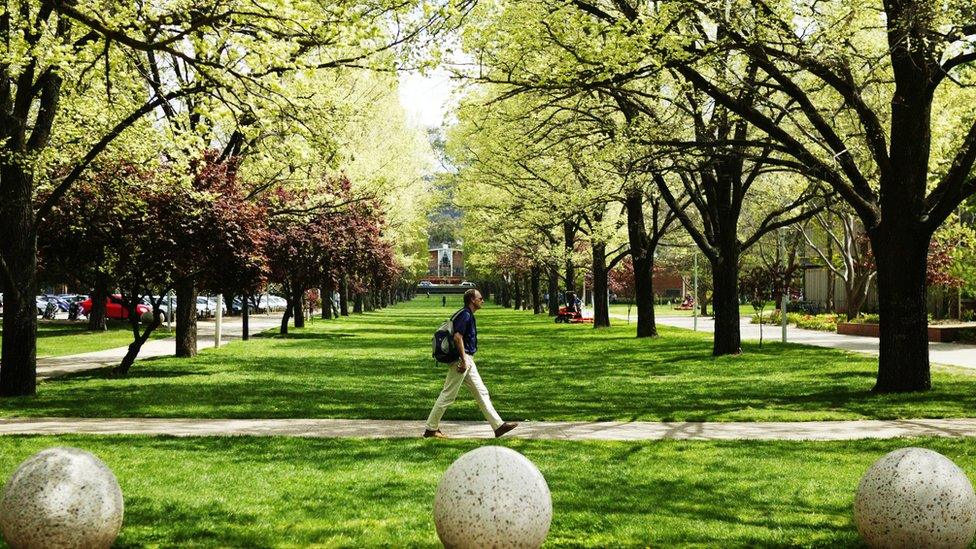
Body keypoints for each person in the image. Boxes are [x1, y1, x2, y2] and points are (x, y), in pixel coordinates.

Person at [424, 289, 518, 439]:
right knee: (448, 395)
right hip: (462, 359)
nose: (483, 300)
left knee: (481, 392)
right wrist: (463, 359)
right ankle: (430, 429)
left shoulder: (466, 314)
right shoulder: (465, 315)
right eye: (480, 298)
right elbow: (457, 337)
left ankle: (498, 426)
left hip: (467, 359)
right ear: (472, 300)